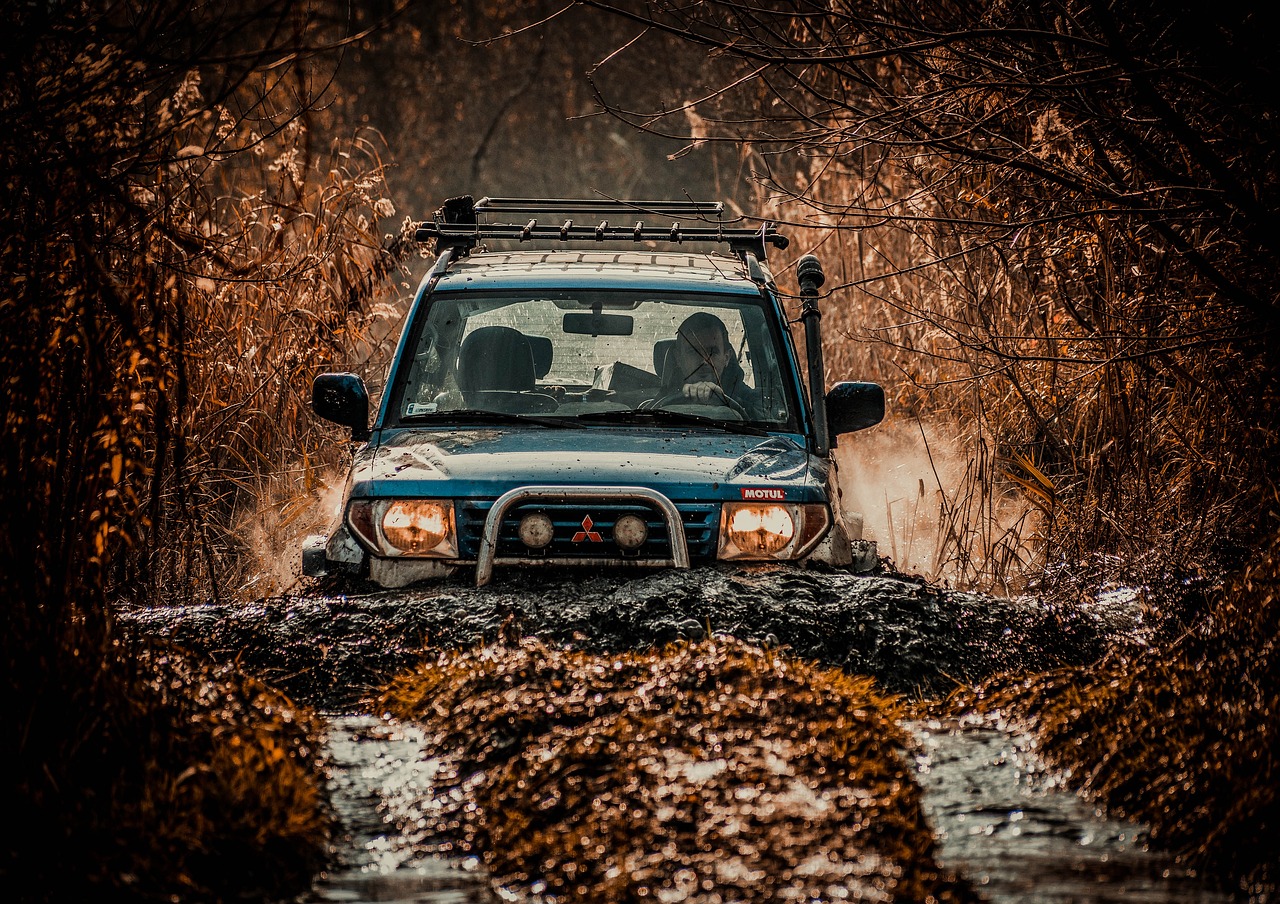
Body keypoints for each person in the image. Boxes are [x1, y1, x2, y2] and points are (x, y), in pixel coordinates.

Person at [662, 312, 757, 415]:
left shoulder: (750, 401)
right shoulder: (659, 400)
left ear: (727, 357)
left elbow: (766, 422)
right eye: (693, 352)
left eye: (713, 352)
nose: (704, 361)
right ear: (678, 359)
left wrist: (725, 402)